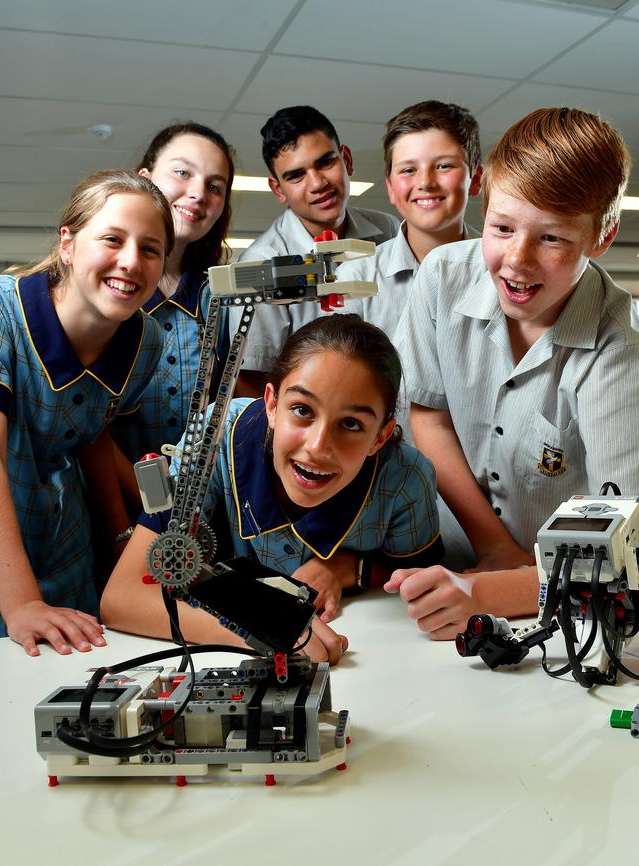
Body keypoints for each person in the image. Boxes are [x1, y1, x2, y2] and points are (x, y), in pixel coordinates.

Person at [389, 107, 638, 640]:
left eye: (552, 239)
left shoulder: (620, 345)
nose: (516, 261)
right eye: (502, 228)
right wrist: (493, 548)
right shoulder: (442, 278)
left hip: (569, 595)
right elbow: (428, 415)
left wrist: (493, 590)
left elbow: (621, 544)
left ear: (602, 236)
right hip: (448, 564)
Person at [101, 314, 442, 664]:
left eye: (351, 424)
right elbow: (123, 597)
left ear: (381, 437)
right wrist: (262, 627)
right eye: (301, 410)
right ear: (272, 404)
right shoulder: (214, 437)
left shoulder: (405, 479)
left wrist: (344, 568)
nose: (318, 446)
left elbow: (421, 582)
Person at [0, 169, 173, 654]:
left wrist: (129, 534)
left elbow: (92, 429)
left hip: (68, 556)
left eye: (150, 249)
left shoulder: (145, 340)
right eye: (112, 239)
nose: (131, 262)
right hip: (2, 571)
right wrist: (22, 602)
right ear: (67, 243)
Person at [231, 105, 400, 394]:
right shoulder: (259, 265)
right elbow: (250, 383)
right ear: (278, 189)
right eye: (296, 175)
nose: (318, 183)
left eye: (325, 162)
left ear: (346, 159)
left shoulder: (388, 230)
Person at [113, 122, 234, 479]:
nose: (198, 194)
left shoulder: (220, 296)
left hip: (199, 501)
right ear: (144, 178)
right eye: (182, 172)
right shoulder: (110, 292)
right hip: (110, 506)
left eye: (215, 186)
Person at [336, 100, 482, 334]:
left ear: (475, 180)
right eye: (408, 170)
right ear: (391, 188)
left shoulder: (503, 270)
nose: (425, 182)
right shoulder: (356, 277)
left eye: (444, 166)